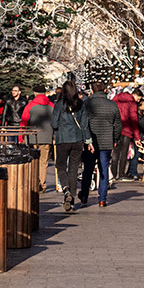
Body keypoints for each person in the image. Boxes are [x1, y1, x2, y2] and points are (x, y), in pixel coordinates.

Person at [49, 82, 93, 211]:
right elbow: (84, 125)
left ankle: (66, 190)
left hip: (62, 139)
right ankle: (71, 200)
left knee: (61, 167)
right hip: (77, 139)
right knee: (73, 169)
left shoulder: (59, 105)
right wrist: (88, 141)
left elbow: (54, 124)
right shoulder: (81, 104)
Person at [82, 88, 123, 206]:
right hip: (106, 142)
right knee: (103, 169)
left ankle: (84, 195)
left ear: (92, 90)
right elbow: (117, 124)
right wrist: (115, 138)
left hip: (90, 142)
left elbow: (83, 123)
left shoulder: (87, 104)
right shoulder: (112, 105)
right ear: (105, 90)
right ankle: (102, 198)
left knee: (88, 169)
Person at [22, 90, 55, 188]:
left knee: (33, 161)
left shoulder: (30, 106)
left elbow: (24, 121)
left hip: (32, 137)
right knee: (43, 161)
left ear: (35, 93)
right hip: (46, 136)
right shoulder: (52, 106)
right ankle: (42, 183)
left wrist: (21, 136)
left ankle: (34, 182)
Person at [113, 88, 142, 180]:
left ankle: (112, 174)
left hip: (115, 129)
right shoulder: (132, 103)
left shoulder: (116, 98)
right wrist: (137, 137)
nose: (138, 101)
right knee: (124, 153)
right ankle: (121, 174)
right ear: (135, 95)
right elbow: (134, 119)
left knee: (115, 153)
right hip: (126, 130)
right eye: (139, 99)